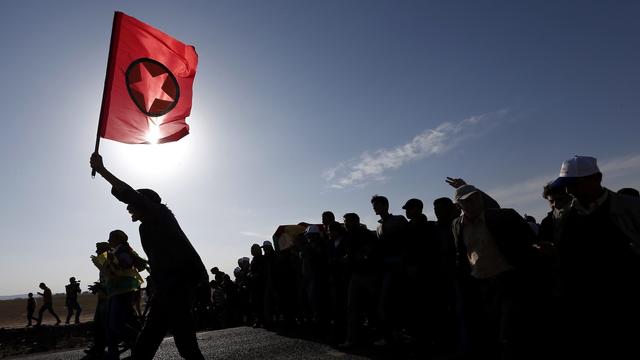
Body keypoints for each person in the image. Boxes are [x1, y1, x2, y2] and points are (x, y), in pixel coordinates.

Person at [90, 153, 208, 360]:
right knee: (146, 343)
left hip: (180, 286)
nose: (128, 208)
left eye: (133, 205)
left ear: (145, 204)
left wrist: (102, 171)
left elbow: (129, 194)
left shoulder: (161, 214)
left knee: (185, 345)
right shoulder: (147, 227)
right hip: (165, 289)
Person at [551, 155, 640, 358]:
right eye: (566, 185)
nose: (568, 191)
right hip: (585, 308)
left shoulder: (632, 208)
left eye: (574, 184)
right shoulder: (563, 216)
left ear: (596, 178)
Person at [452, 184, 537, 359]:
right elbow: (462, 253)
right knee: (490, 326)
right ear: (458, 206)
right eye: (466, 201)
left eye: (476, 198)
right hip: (480, 283)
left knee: (509, 329)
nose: (473, 203)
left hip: (507, 279)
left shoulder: (502, 217)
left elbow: (529, 242)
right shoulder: (457, 225)